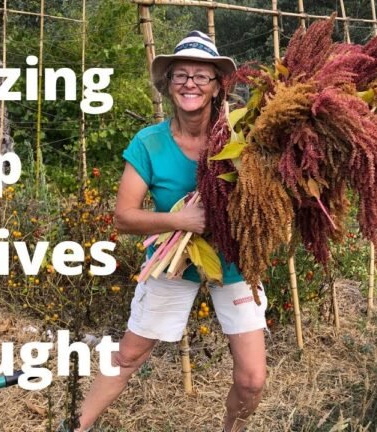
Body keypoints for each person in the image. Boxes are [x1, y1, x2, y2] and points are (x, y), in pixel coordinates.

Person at [74, 31, 268, 432]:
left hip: (234, 264)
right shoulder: (150, 143)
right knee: (128, 357)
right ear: (168, 85)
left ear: (217, 87)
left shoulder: (242, 138)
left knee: (252, 380)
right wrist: (180, 221)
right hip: (172, 264)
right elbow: (124, 217)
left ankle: (232, 429)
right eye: (180, 75)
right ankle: (75, 425)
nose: (190, 84)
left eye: (201, 76)